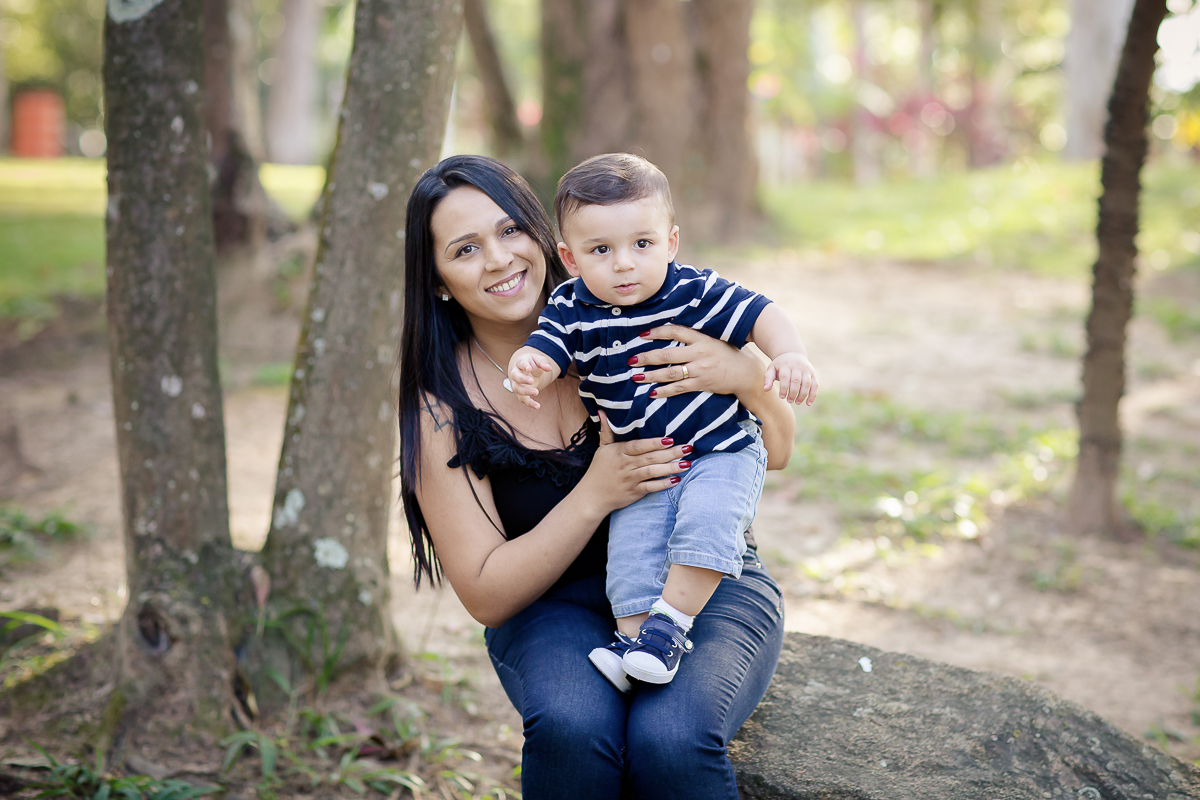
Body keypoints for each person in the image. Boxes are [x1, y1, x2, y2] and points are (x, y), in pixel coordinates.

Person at [397, 154, 795, 800]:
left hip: (698, 582)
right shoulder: (440, 408)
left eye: (508, 231)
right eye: (466, 249)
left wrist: (749, 378)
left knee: (670, 739)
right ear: (438, 280)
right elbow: (485, 593)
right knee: (572, 726)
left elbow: (774, 452)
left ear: (541, 239)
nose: (498, 259)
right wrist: (595, 493)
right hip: (552, 608)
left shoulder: (633, 314)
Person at [507, 153, 817, 690]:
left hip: (720, 450)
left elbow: (762, 311)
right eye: (601, 250)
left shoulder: (693, 291)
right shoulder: (570, 306)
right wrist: (530, 366)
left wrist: (788, 355)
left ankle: (670, 628)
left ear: (670, 243)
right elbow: (547, 349)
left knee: (707, 524)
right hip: (647, 469)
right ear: (570, 257)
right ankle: (634, 650)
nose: (623, 263)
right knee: (629, 558)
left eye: (641, 244)